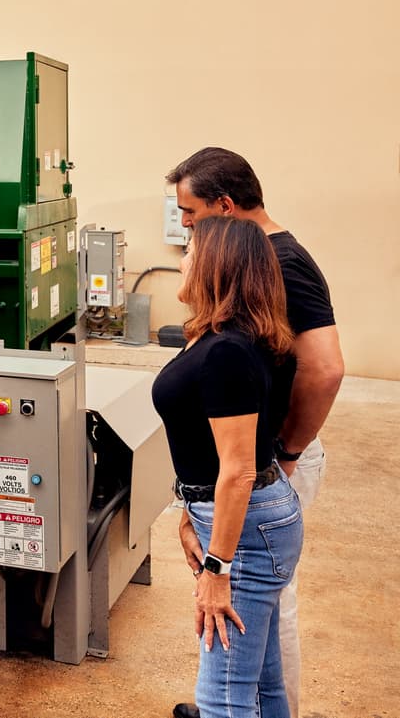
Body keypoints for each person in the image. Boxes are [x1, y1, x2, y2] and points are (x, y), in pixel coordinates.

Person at [167, 147, 344, 718]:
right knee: (257, 669)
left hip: (256, 485)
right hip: (245, 486)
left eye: (192, 223)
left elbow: (324, 369)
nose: (184, 237)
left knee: (225, 688)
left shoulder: (276, 272)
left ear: (224, 212)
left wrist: (283, 456)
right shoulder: (227, 330)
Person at [152, 215, 303, 717]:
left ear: (219, 264)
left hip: (246, 527)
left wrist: (218, 568)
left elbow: (237, 468)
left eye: (191, 248)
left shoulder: (228, 352)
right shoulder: (229, 336)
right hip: (248, 517)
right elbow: (206, 446)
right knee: (261, 683)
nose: (182, 257)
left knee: (222, 697)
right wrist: (189, 509)